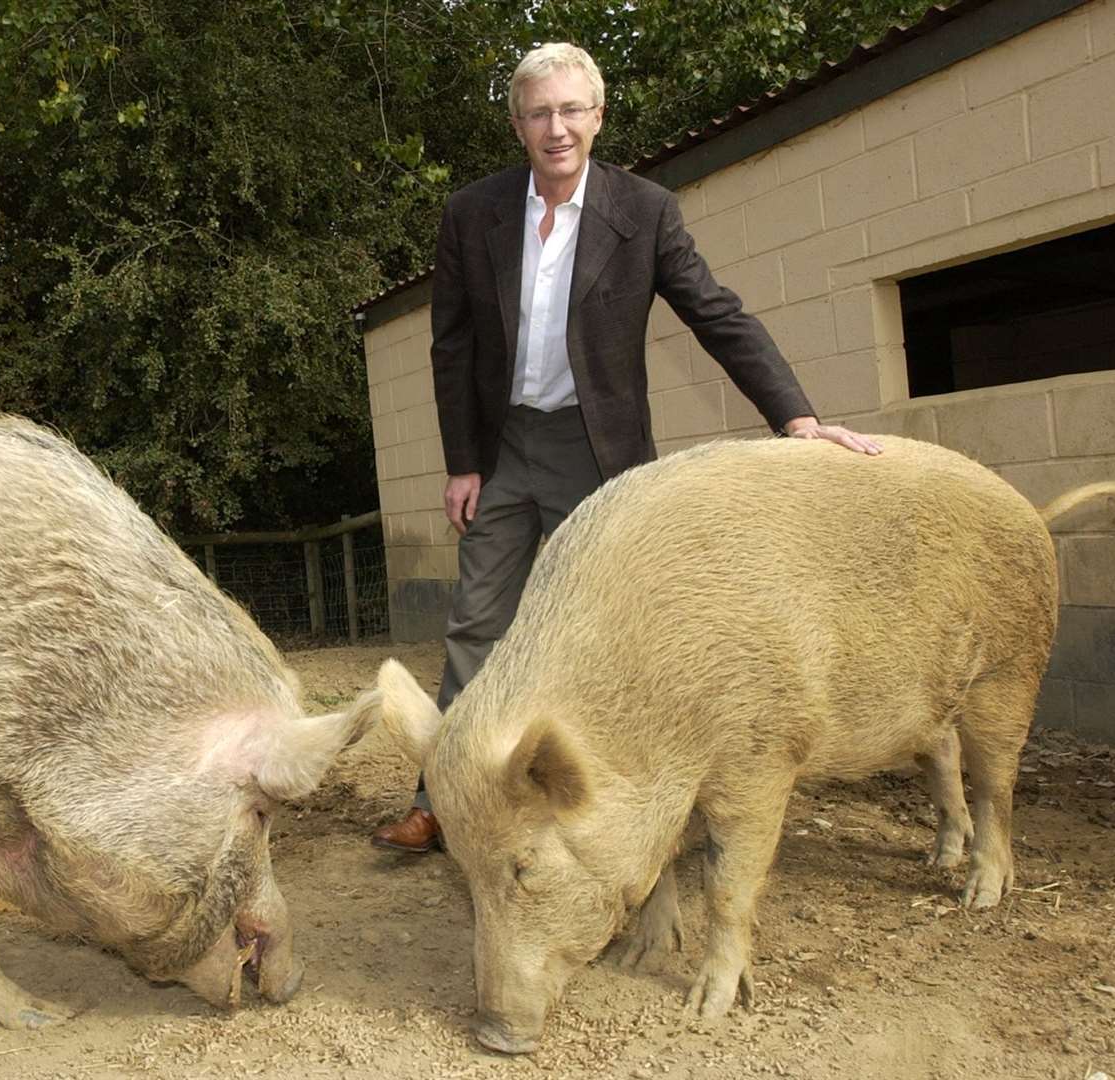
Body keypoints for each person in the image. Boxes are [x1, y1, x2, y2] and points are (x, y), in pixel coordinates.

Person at [369, 42, 883, 854]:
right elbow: (453, 345)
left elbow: (716, 313)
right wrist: (462, 461)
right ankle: (444, 800)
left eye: (572, 109)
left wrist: (797, 419)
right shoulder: (474, 214)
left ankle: (619, 804)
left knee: (611, 634)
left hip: (597, 453)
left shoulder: (643, 212)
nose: (557, 127)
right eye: (539, 112)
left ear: (598, 116)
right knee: (475, 625)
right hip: (502, 449)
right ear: (517, 126)